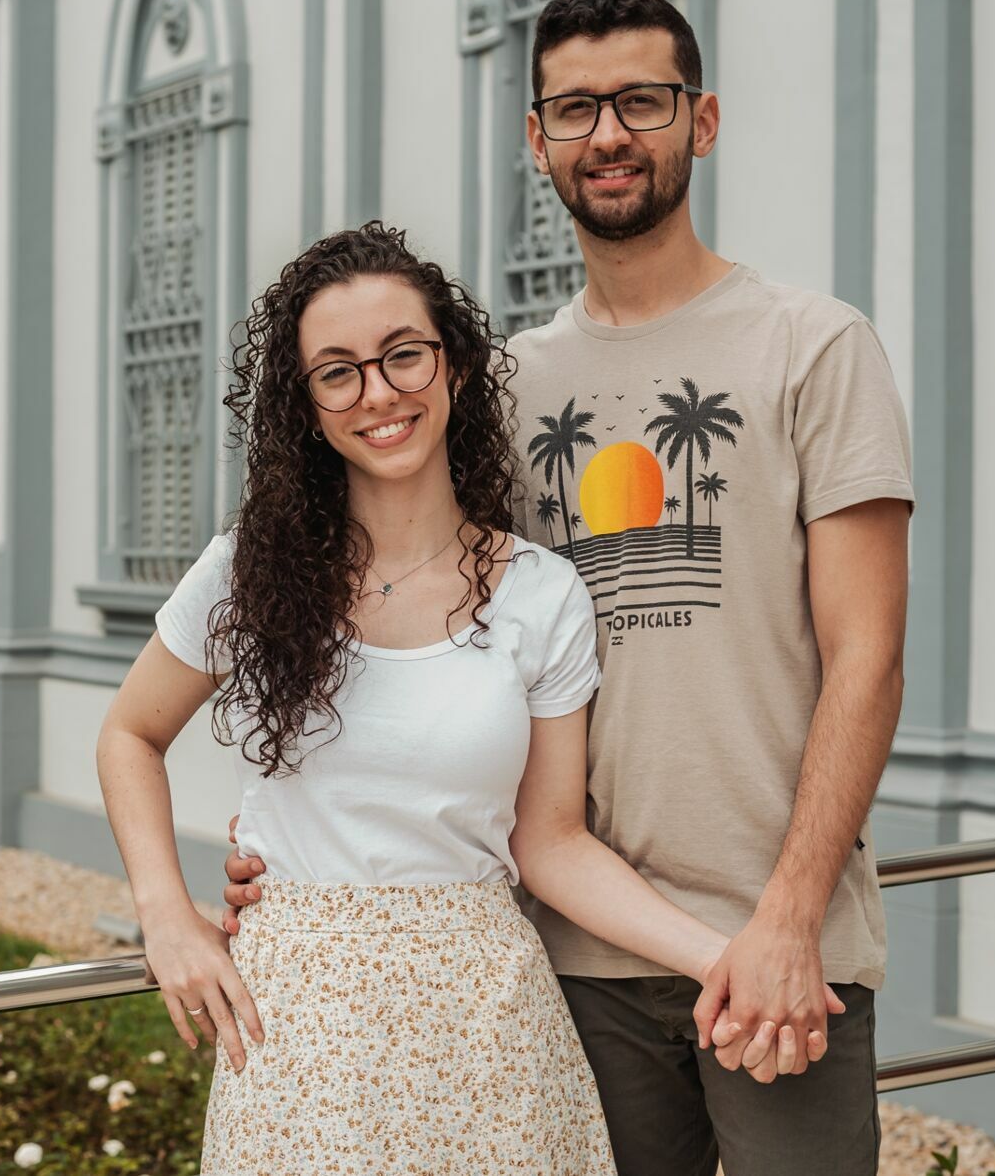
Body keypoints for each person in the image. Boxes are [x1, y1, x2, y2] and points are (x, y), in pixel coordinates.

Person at [221, 0, 914, 1176]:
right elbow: (410, 617)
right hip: (568, 956)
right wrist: (299, 842)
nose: (610, 135)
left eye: (642, 101)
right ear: (536, 141)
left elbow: (870, 656)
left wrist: (794, 917)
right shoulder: (497, 386)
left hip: (776, 947)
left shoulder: (814, 344)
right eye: (576, 109)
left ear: (700, 121)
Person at [95, 223, 824, 1174]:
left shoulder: (541, 593)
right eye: (338, 372)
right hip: (300, 1028)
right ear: (305, 406)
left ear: (457, 368)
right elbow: (129, 734)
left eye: (404, 355)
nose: (380, 393)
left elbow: (550, 841)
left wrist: (720, 959)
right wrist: (165, 914)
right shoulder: (248, 572)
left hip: (489, 1028)